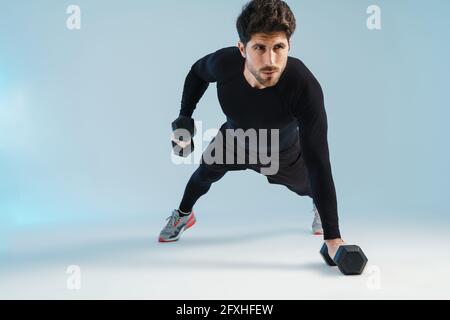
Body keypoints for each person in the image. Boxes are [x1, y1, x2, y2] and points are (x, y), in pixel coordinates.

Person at [159, 0, 346, 259]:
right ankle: (183, 216)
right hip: (235, 140)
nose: (270, 60)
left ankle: (319, 210)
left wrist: (333, 236)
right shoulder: (225, 63)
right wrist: (184, 118)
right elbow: (196, 73)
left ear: (289, 46)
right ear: (242, 49)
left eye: (278, 47)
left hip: (282, 153)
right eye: (259, 47)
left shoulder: (304, 87)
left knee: (308, 187)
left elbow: (319, 160)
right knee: (203, 175)